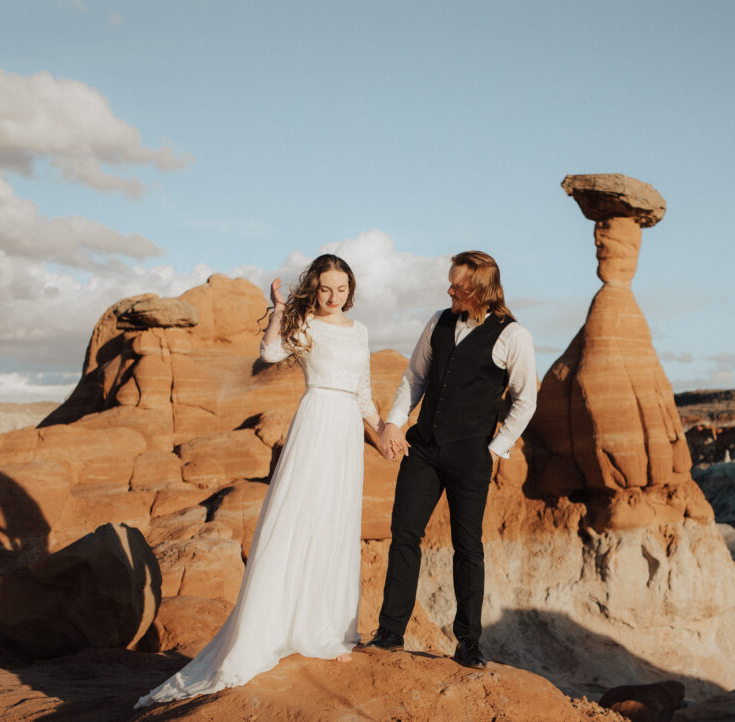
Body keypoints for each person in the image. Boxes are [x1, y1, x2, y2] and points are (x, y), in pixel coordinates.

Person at [136, 254, 384, 708]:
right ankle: (276, 629)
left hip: (348, 429)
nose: (334, 297)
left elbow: (363, 391)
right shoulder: (305, 322)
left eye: (342, 288)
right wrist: (278, 311)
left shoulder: (361, 331)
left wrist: (383, 432)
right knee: (299, 518)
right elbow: (269, 353)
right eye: (327, 288)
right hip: (316, 421)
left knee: (334, 521)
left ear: (351, 289)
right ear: (316, 287)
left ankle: (326, 628)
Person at [365, 250, 537, 669]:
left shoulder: (514, 336)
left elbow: (525, 400)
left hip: (471, 454)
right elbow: (415, 378)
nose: (449, 290)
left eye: (457, 286)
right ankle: (390, 632)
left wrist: (495, 449)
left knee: (467, 546)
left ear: (479, 289)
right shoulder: (439, 321)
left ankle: (469, 642)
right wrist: (393, 423)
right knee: (404, 534)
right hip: (423, 448)